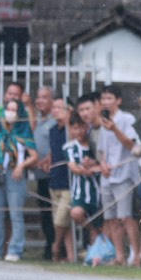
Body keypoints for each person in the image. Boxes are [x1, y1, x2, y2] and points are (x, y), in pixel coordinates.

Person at [0, 98, 37, 262]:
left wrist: (21, 166)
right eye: (8, 109)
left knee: (15, 214)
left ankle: (15, 250)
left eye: (14, 110)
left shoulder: (24, 130)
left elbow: (34, 156)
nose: (10, 113)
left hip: (15, 175)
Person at [95, 85, 141, 266]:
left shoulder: (126, 119)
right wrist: (103, 165)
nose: (106, 102)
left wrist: (114, 128)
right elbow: (101, 150)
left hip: (124, 175)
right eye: (104, 99)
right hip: (107, 176)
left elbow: (132, 146)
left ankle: (137, 255)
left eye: (109, 98)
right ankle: (119, 256)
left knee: (126, 217)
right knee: (111, 218)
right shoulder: (102, 122)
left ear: (118, 100)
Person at [64, 113, 103, 253]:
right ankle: (92, 231)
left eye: (81, 128)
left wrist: (94, 164)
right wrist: (84, 170)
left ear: (87, 127)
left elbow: (101, 162)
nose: (79, 131)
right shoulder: (70, 147)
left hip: (98, 191)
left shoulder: (94, 145)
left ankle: (97, 253)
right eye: (75, 128)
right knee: (76, 213)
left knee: (102, 223)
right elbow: (72, 166)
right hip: (80, 192)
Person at [46, 97, 75, 263]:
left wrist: (70, 121)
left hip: (68, 181)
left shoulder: (71, 129)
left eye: (60, 107)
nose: (55, 110)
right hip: (54, 179)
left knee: (60, 220)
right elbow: (53, 151)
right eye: (54, 107)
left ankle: (55, 246)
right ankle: (70, 255)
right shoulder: (52, 130)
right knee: (63, 222)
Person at [30, 86, 57, 259]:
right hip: (40, 174)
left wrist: (48, 158)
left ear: (52, 100)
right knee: (45, 213)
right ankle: (49, 245)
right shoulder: (39, 120)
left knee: (55, 213)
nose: (40, 100)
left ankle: (55, 247)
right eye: (38, 97)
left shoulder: (55, 121)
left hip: (53, 174)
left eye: (45, 97)